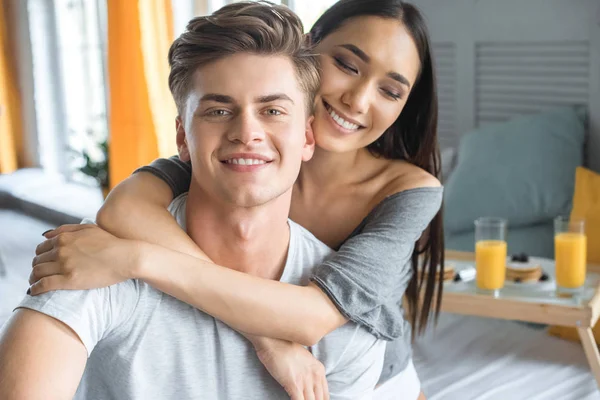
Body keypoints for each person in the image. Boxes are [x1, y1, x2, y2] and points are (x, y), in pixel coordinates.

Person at [25, 0, 444, 398]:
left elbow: (315, 319)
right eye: (347, 65)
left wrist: (137, 259)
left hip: (378, 381)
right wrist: (270, 342)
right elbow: (123, 209)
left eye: (391, 91)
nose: (358, 99)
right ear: (310, 51)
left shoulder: (407, 191)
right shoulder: (228, 159)